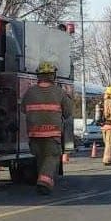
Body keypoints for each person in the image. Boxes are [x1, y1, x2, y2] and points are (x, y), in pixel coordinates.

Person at [21, 61, 73, 195]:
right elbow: (68, 113)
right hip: (52, 134)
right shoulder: (59, 92)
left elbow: (23, 109)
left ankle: (42, 179)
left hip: (34, 134)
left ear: (38, 76)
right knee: (51, 157)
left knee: (41, 158)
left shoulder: (30, 92)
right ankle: (44, 183)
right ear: (53, 76)